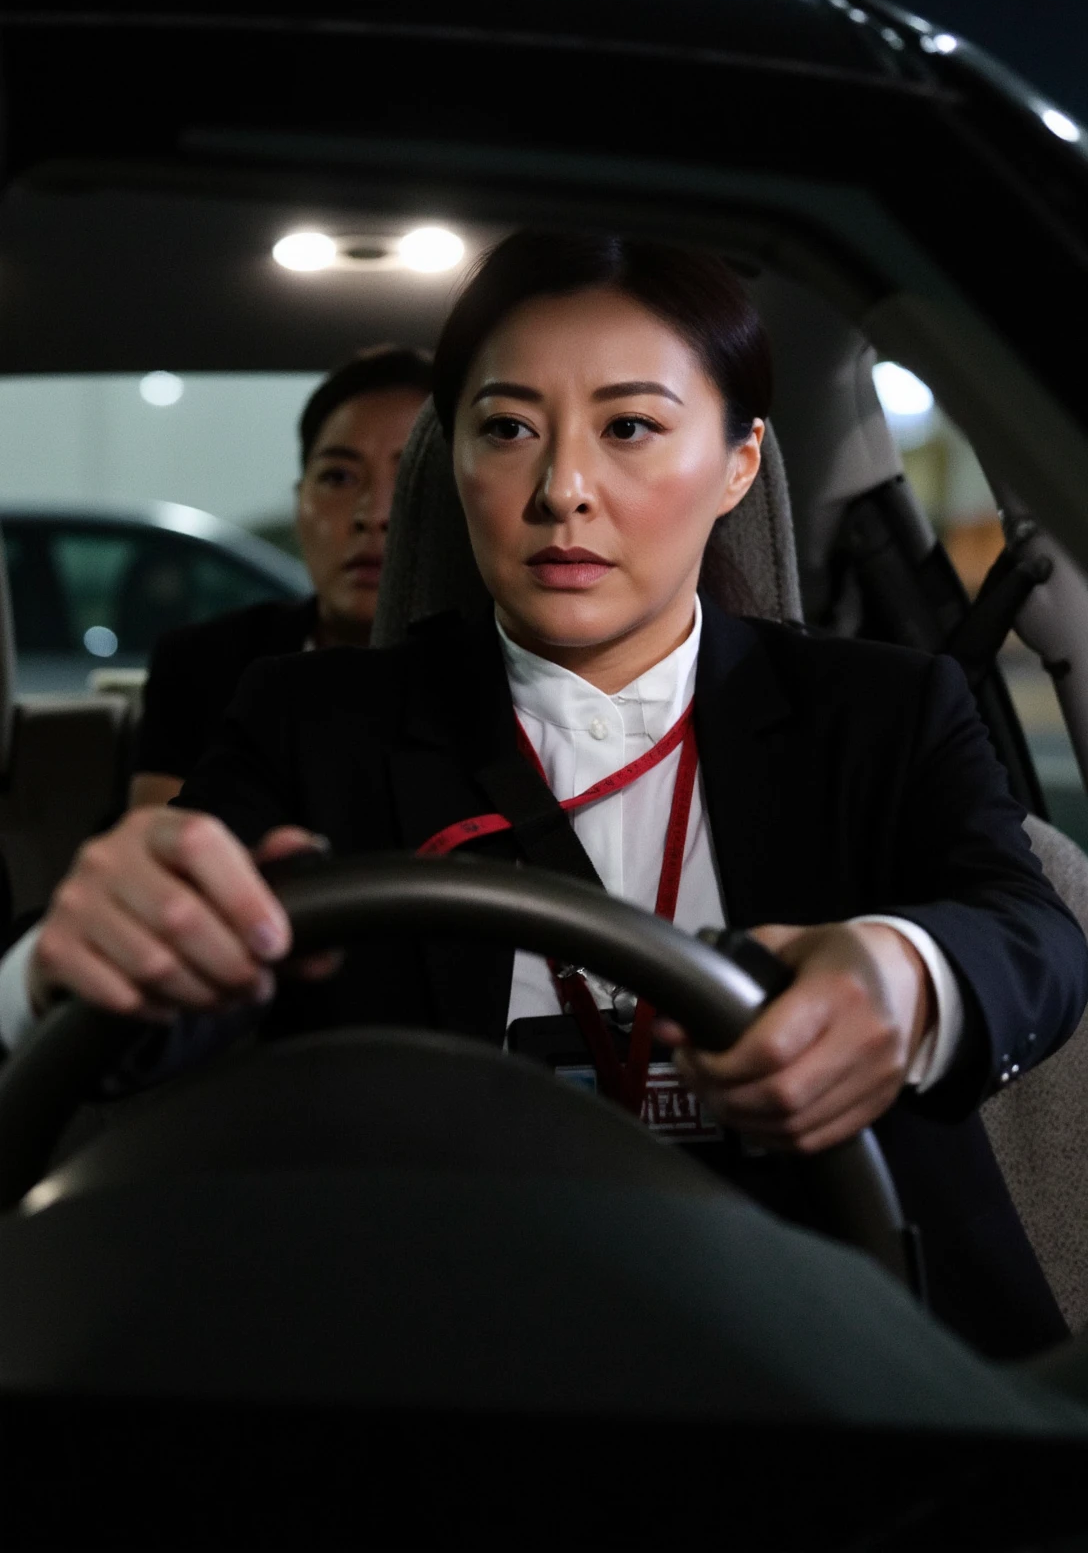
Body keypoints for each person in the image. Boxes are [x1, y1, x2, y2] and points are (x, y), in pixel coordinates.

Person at [4, 232, 1086, 1359]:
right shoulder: (311, 724)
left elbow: (1028, 933)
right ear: (454, 456)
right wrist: (64, 960)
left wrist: (902, 976)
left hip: (838, 1341)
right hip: (432, 1344)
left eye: (629, 428)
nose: (561, 491)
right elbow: (158, 981)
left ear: (735, 463)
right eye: (508, 428)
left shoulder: (880, 711)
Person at [129, 346, 432, 806]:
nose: (374, 515)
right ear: (299, 501)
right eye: (338, 478)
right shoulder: (205, 665)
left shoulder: (516, 686)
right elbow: (159, 844)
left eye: (413, 478)